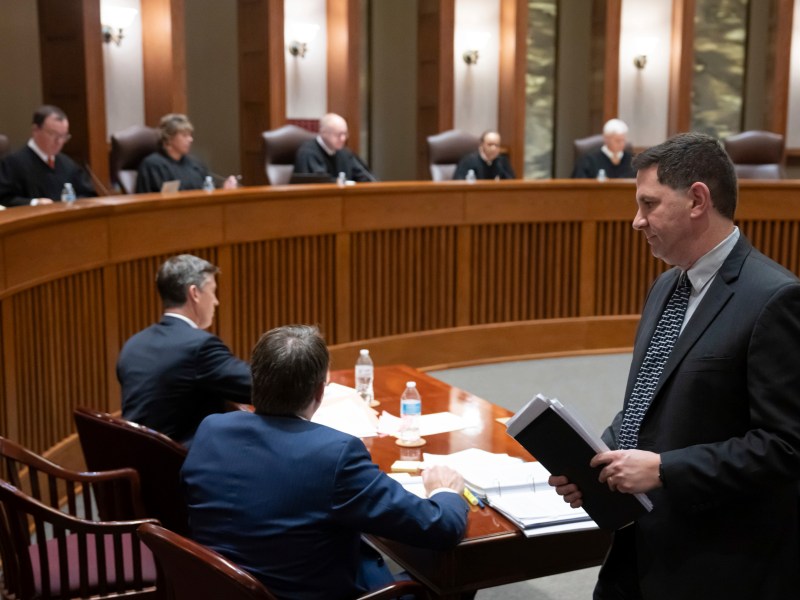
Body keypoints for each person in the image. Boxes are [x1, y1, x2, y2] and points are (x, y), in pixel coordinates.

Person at [550, 132, 800, 599]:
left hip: (725, 562)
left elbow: (790, 447)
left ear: (698, 199)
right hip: (642, 542)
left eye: (649, 204)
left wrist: (665, 470)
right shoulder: (665, 286)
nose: (636, 221)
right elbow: (646, 404)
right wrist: (596, 463)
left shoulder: (778, 301)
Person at [182, 324, 468, 600]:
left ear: (255, 380)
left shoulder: (211, 430)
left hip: (223, 588)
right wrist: (444, 491)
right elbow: (440, 528)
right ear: (320, 392)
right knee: (461, 573)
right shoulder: (335, 454)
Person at [117, 254, 251, 446]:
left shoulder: (133, 345)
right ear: (194, 293)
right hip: (178, 466)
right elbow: (257, 385)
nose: (216, 301)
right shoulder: (199, 346)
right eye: (213, 292)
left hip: (136, 461)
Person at [0, 105, 96, 207]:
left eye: (64, 136)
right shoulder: (12, 163)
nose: (59, 141)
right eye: (53, 134)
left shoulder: (68, 164)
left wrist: (74, 203)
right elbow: (4, 198)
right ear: (35, 130)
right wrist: (34, 203)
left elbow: (88, 194)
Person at [135, 113, 238, 193]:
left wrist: (223, 188)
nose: (190, 139)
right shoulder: (153, 165)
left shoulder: (195, 164)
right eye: (184, 135)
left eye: (190, 135)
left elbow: (208, 190)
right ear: (169, 138)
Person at [293, 113, 376, 182]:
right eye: (338, 134)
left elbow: (365, 176)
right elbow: (319, 183)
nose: (343, 138)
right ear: (323, 133)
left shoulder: (345, 154)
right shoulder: (308, 153)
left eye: (345, 134)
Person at [571, 118, 636, 179]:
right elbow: (578, 186)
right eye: (617, 141)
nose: (622, 144)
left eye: (623, 140)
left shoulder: (633, 161)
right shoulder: (588, 161)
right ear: (606, 139)